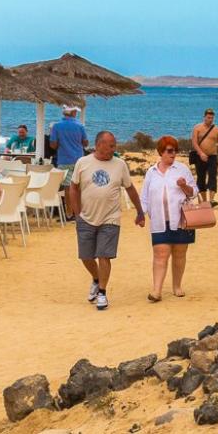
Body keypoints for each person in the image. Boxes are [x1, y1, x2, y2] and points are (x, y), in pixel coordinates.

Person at [67, 131, 144, 312]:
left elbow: (130, 189)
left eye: (114, 145)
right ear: (99, 145)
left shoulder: (120, 164)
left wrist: (140, 211)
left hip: (110, 218)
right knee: (86, 256)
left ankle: (102, 292)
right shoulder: (82, 162)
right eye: (111, 146)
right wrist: (77, 213)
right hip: (86, 216)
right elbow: (73, 188)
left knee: (104, 255)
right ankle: (96, 278)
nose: (113, 149)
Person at [142, 136, 198, 301]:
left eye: (175, 150)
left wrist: (183, 185)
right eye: (169, 150)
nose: (173, 154)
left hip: (181, 218)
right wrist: (141, 214)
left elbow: (194, 192)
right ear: (161, 152)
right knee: (160, 253)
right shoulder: (151, 172)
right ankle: (156, 291)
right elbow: (144, 197)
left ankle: (177, 285)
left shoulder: (182, 169)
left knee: (180, 253)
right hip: (159, 220)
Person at [190, 109, 218, 205]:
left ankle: (212, 199)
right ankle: (204, 201)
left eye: (212, 118)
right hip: (199, 156)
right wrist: (201, 153)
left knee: (213, 176)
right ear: (204, 117)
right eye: (208, 117)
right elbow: (194, 142)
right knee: (201, 177)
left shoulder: (217, 129)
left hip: (212, 156)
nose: (210, 120)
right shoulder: (197, 128)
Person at [50, 106, 89, 177]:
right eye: (75, 111)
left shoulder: (56, 126)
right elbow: (86, 143)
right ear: (73, 112)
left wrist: (62, 145)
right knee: (78, 184)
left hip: (64, 160)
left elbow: (53, 145)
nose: (76, 113)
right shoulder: (80, 126)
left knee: (66, 186)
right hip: (79, 160)